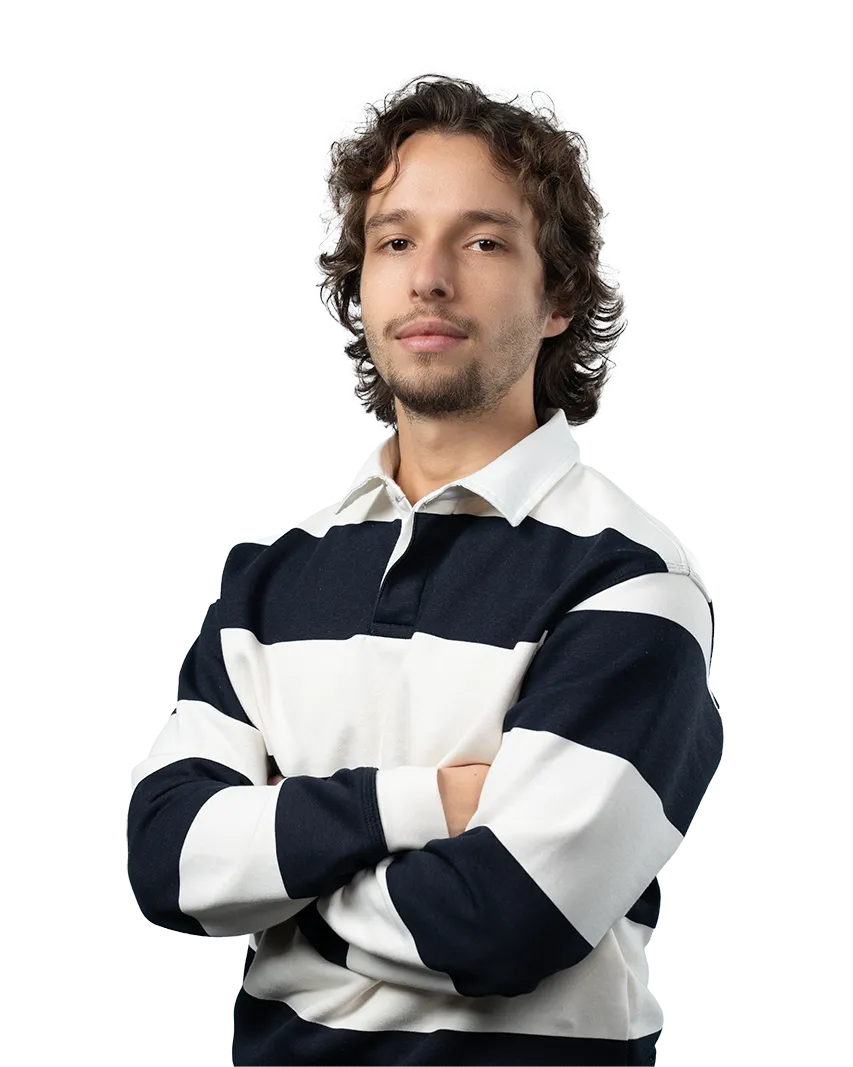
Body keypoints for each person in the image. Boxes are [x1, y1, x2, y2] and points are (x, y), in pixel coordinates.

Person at [126, 72, 724, 1066]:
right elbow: (165, 863)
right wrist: (425, 806)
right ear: (358, 284)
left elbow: (505, 920)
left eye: (482, 241)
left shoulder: (631, 586)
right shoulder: (268, 582)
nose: (429, 277)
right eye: (394, 240)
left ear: (559, 297)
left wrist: (280, 893)